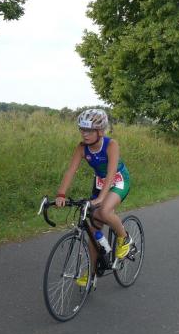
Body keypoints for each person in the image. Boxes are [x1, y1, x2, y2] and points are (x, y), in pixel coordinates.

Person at [55, 109, 132, 287]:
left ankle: (124, 238)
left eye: (89, 130)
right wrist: (61, 194)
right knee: (93, 225)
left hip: (118, 180)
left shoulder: (111, 145)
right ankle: (91, 274)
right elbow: (71, 171)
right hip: (100, 183)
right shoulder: (82, 148)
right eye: (82, 129)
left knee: (104, 211)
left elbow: (111, 173)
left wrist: (100, 199)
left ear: (101, 131)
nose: (84, 134)